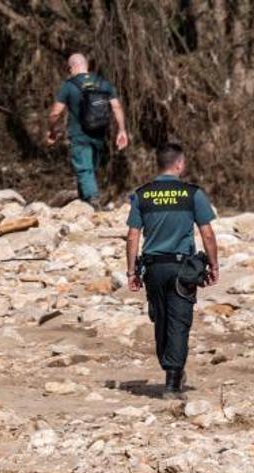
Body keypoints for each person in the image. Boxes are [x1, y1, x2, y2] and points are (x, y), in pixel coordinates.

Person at [125, 143, 219, 400]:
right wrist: (214, 265)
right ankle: (172, 382)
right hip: (181, 269)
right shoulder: (192, 194)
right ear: (179, 164)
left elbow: (133, 236)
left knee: (161, 319)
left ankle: (170, 368)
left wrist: (131, 272)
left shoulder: (142, 195)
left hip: (153, 269)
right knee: (178, 322)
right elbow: (207, 233)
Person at [47, 53, 129, 207]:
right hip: (99, 134)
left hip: (79, 135)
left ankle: (92, 199)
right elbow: (116, 106)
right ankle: (85, 201)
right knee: (90, 168)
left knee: (84, 169)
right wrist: (122, 130)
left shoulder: (69, 85)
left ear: (71, 68)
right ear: (87, 66)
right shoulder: (103, 83)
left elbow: (55, 113)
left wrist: (51, 130)